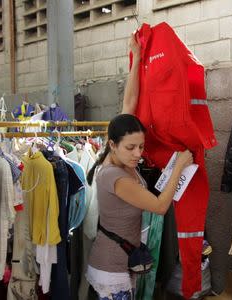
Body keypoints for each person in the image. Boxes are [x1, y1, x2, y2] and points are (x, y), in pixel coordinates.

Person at [84, 33, 194, 300]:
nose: (138, 154)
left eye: (141, 147)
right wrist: (179, 165)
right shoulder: (114, 176)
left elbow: (129, 103)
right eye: (131, 148)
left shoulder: (119, 153)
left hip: (119, 263)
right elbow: (158, 206)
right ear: (112, 144)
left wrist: (136, 57)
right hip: (112, 271)